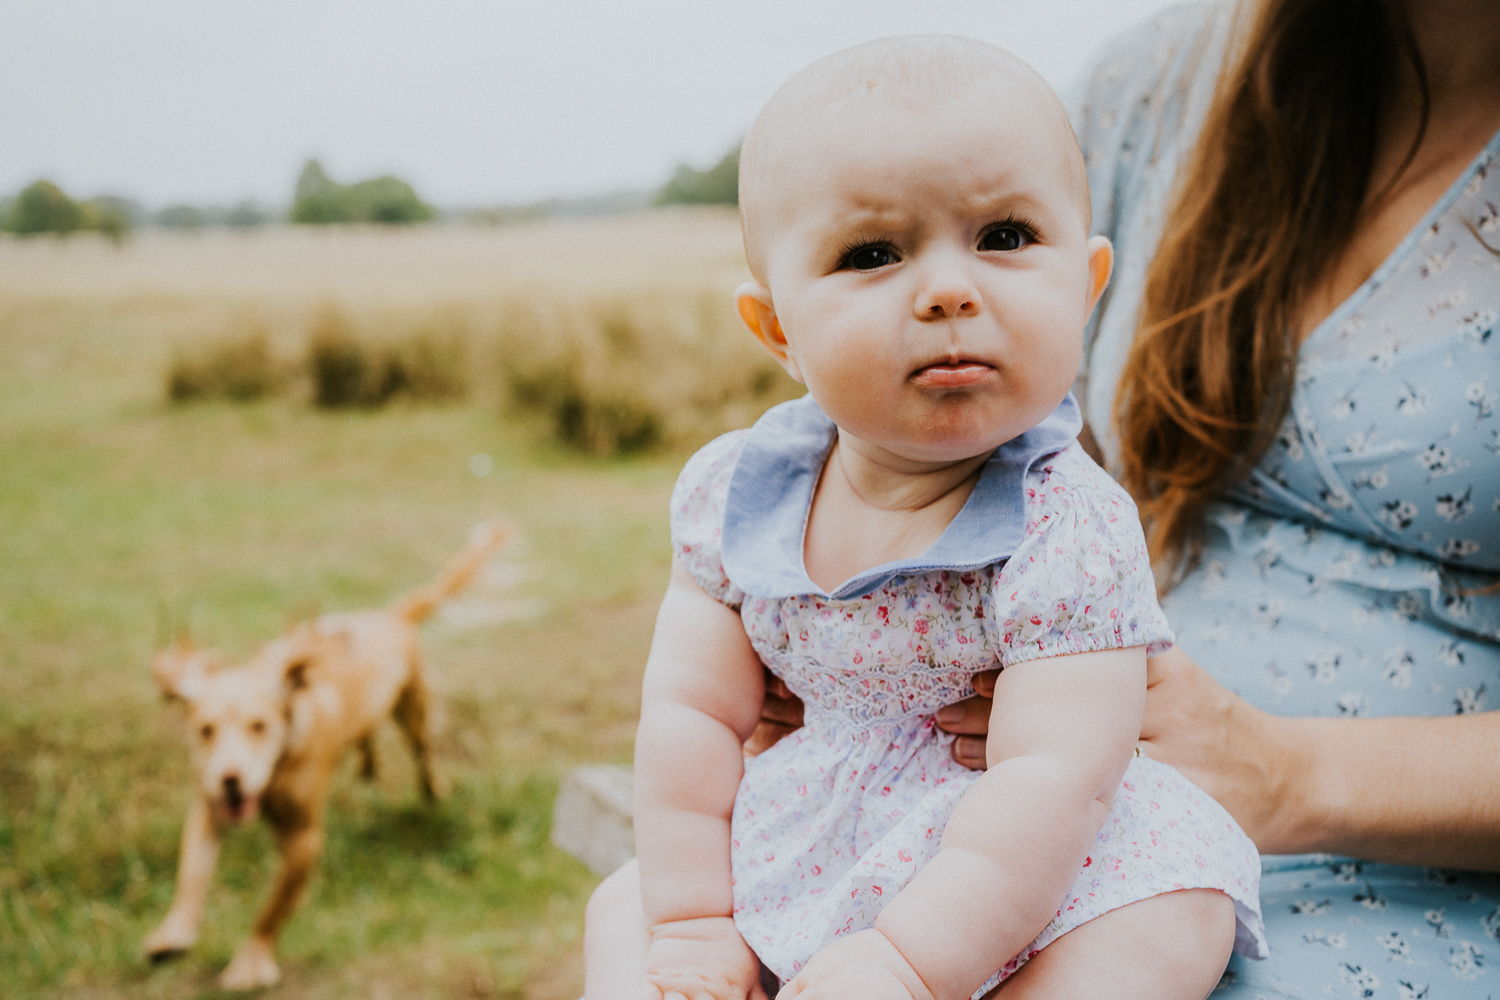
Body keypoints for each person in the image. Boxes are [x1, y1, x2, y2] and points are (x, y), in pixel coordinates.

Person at [757, 2, 1500, 996]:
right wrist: (839, 643)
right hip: (1005, 795)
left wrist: (1287, 774)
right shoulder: (1155, 88)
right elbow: (989, 438)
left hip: (1406, 876)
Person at [585, 35, 1270, 1000]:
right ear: (779, 329)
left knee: (1171, 919)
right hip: (820, 821)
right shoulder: (738, 497)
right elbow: (692, 715)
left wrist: (906, 961)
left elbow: (1055, 782)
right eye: (873, 253)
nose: (951, 288)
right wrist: (696, 923)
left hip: (1023, 856)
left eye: (1005, 237)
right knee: (626, 910)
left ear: (1086, 285)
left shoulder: (1066, 527)